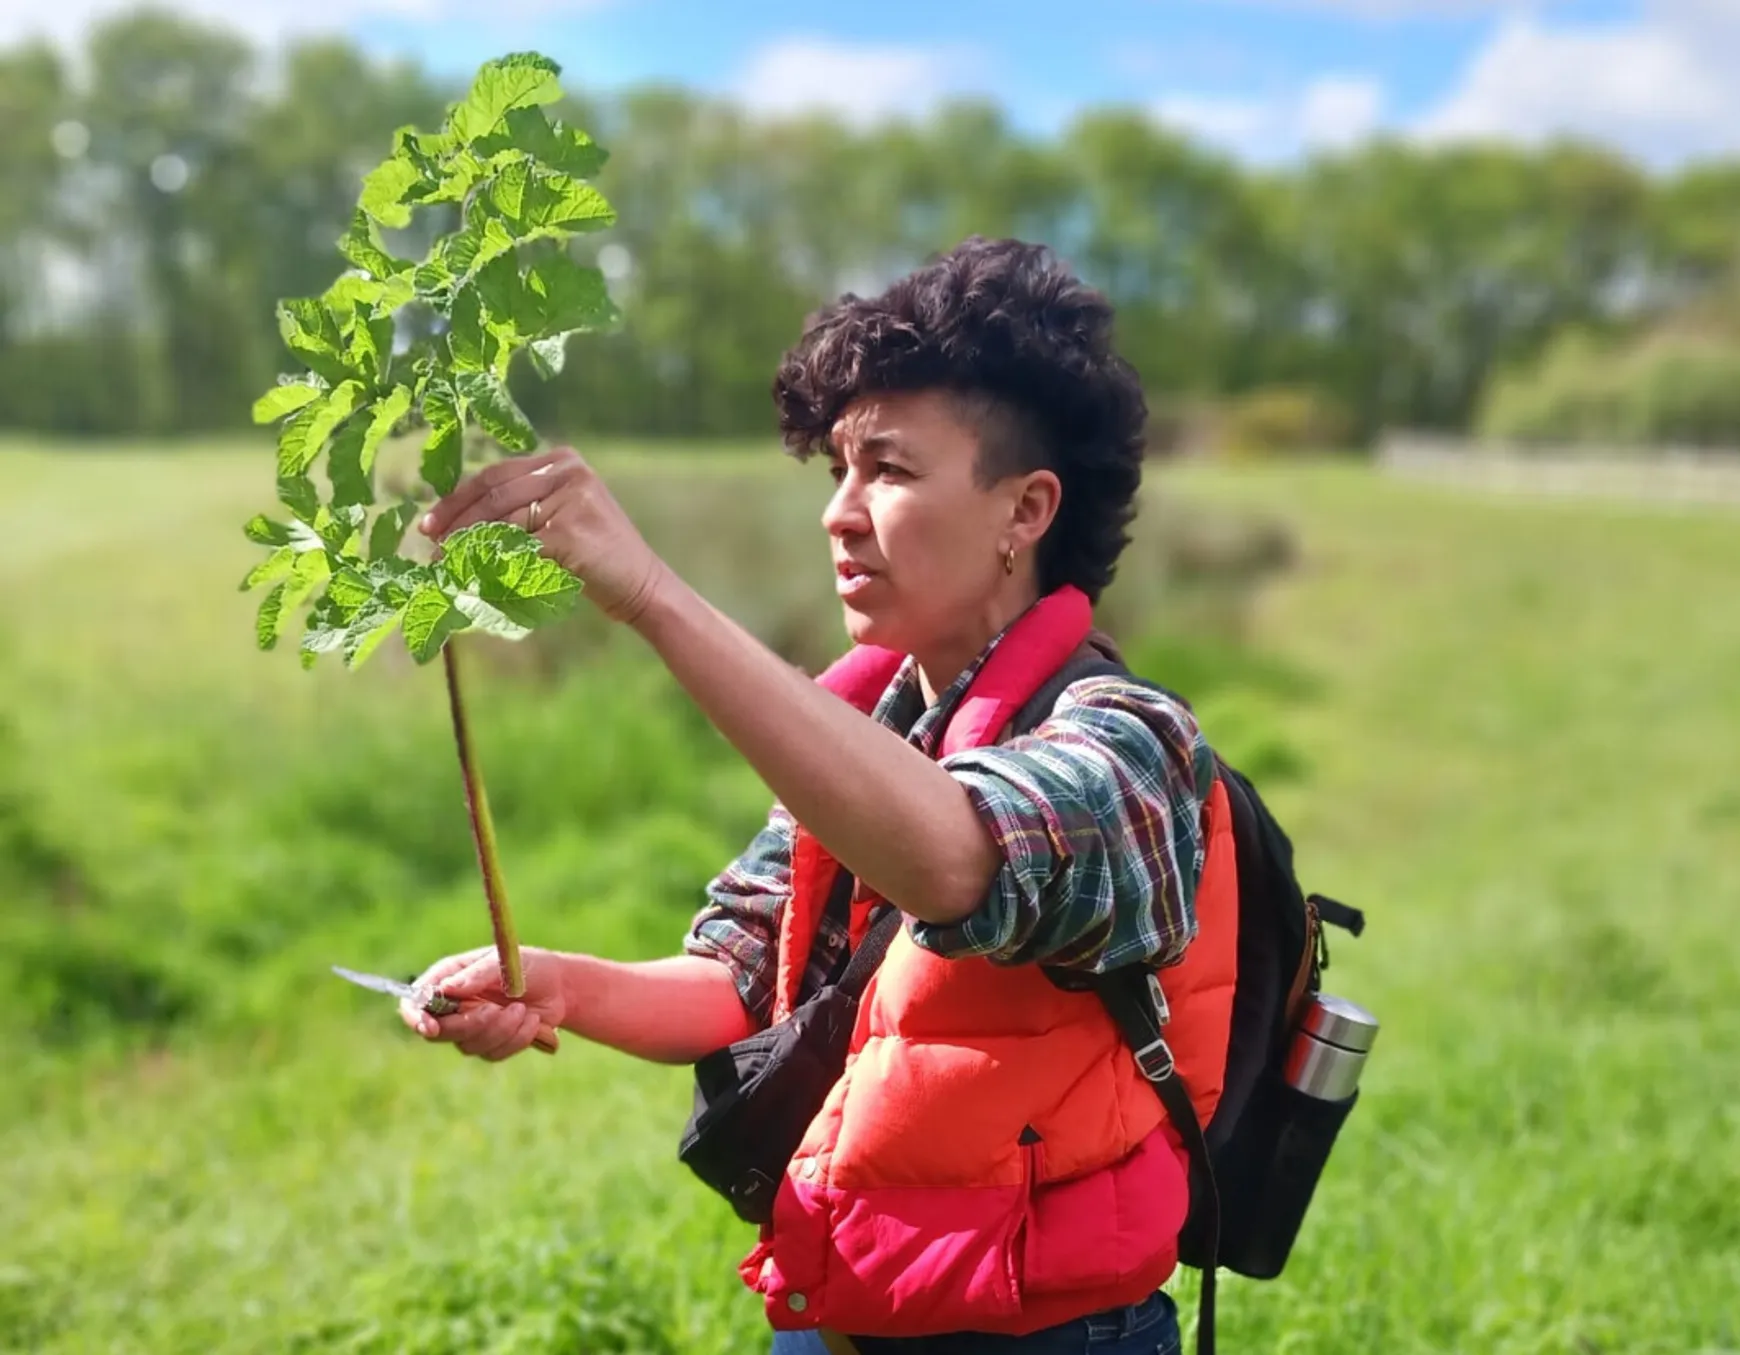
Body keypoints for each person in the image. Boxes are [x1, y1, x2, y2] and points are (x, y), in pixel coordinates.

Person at [401, 236, 1233, 1354]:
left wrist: (652, 596)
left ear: (1027, 510)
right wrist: (553, 982)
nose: (839, 512)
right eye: (838, 469)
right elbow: (739, 980)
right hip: (837, 1312)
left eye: (888, 469)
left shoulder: (1131, 746)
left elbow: (956, 858)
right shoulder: (864, 735)